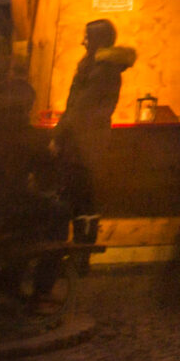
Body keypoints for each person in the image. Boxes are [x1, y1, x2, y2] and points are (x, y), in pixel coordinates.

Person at [54, 18, 136, 220]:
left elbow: (80, 109)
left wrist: (58, 136)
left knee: (79, 195)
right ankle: (84, 234)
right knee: (83, 195)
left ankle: (81, 236)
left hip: (81, 141)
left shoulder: (101, 71)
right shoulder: (103, 68)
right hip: (88, 140)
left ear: (98, 40)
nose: (83, 42)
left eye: (87, 38)